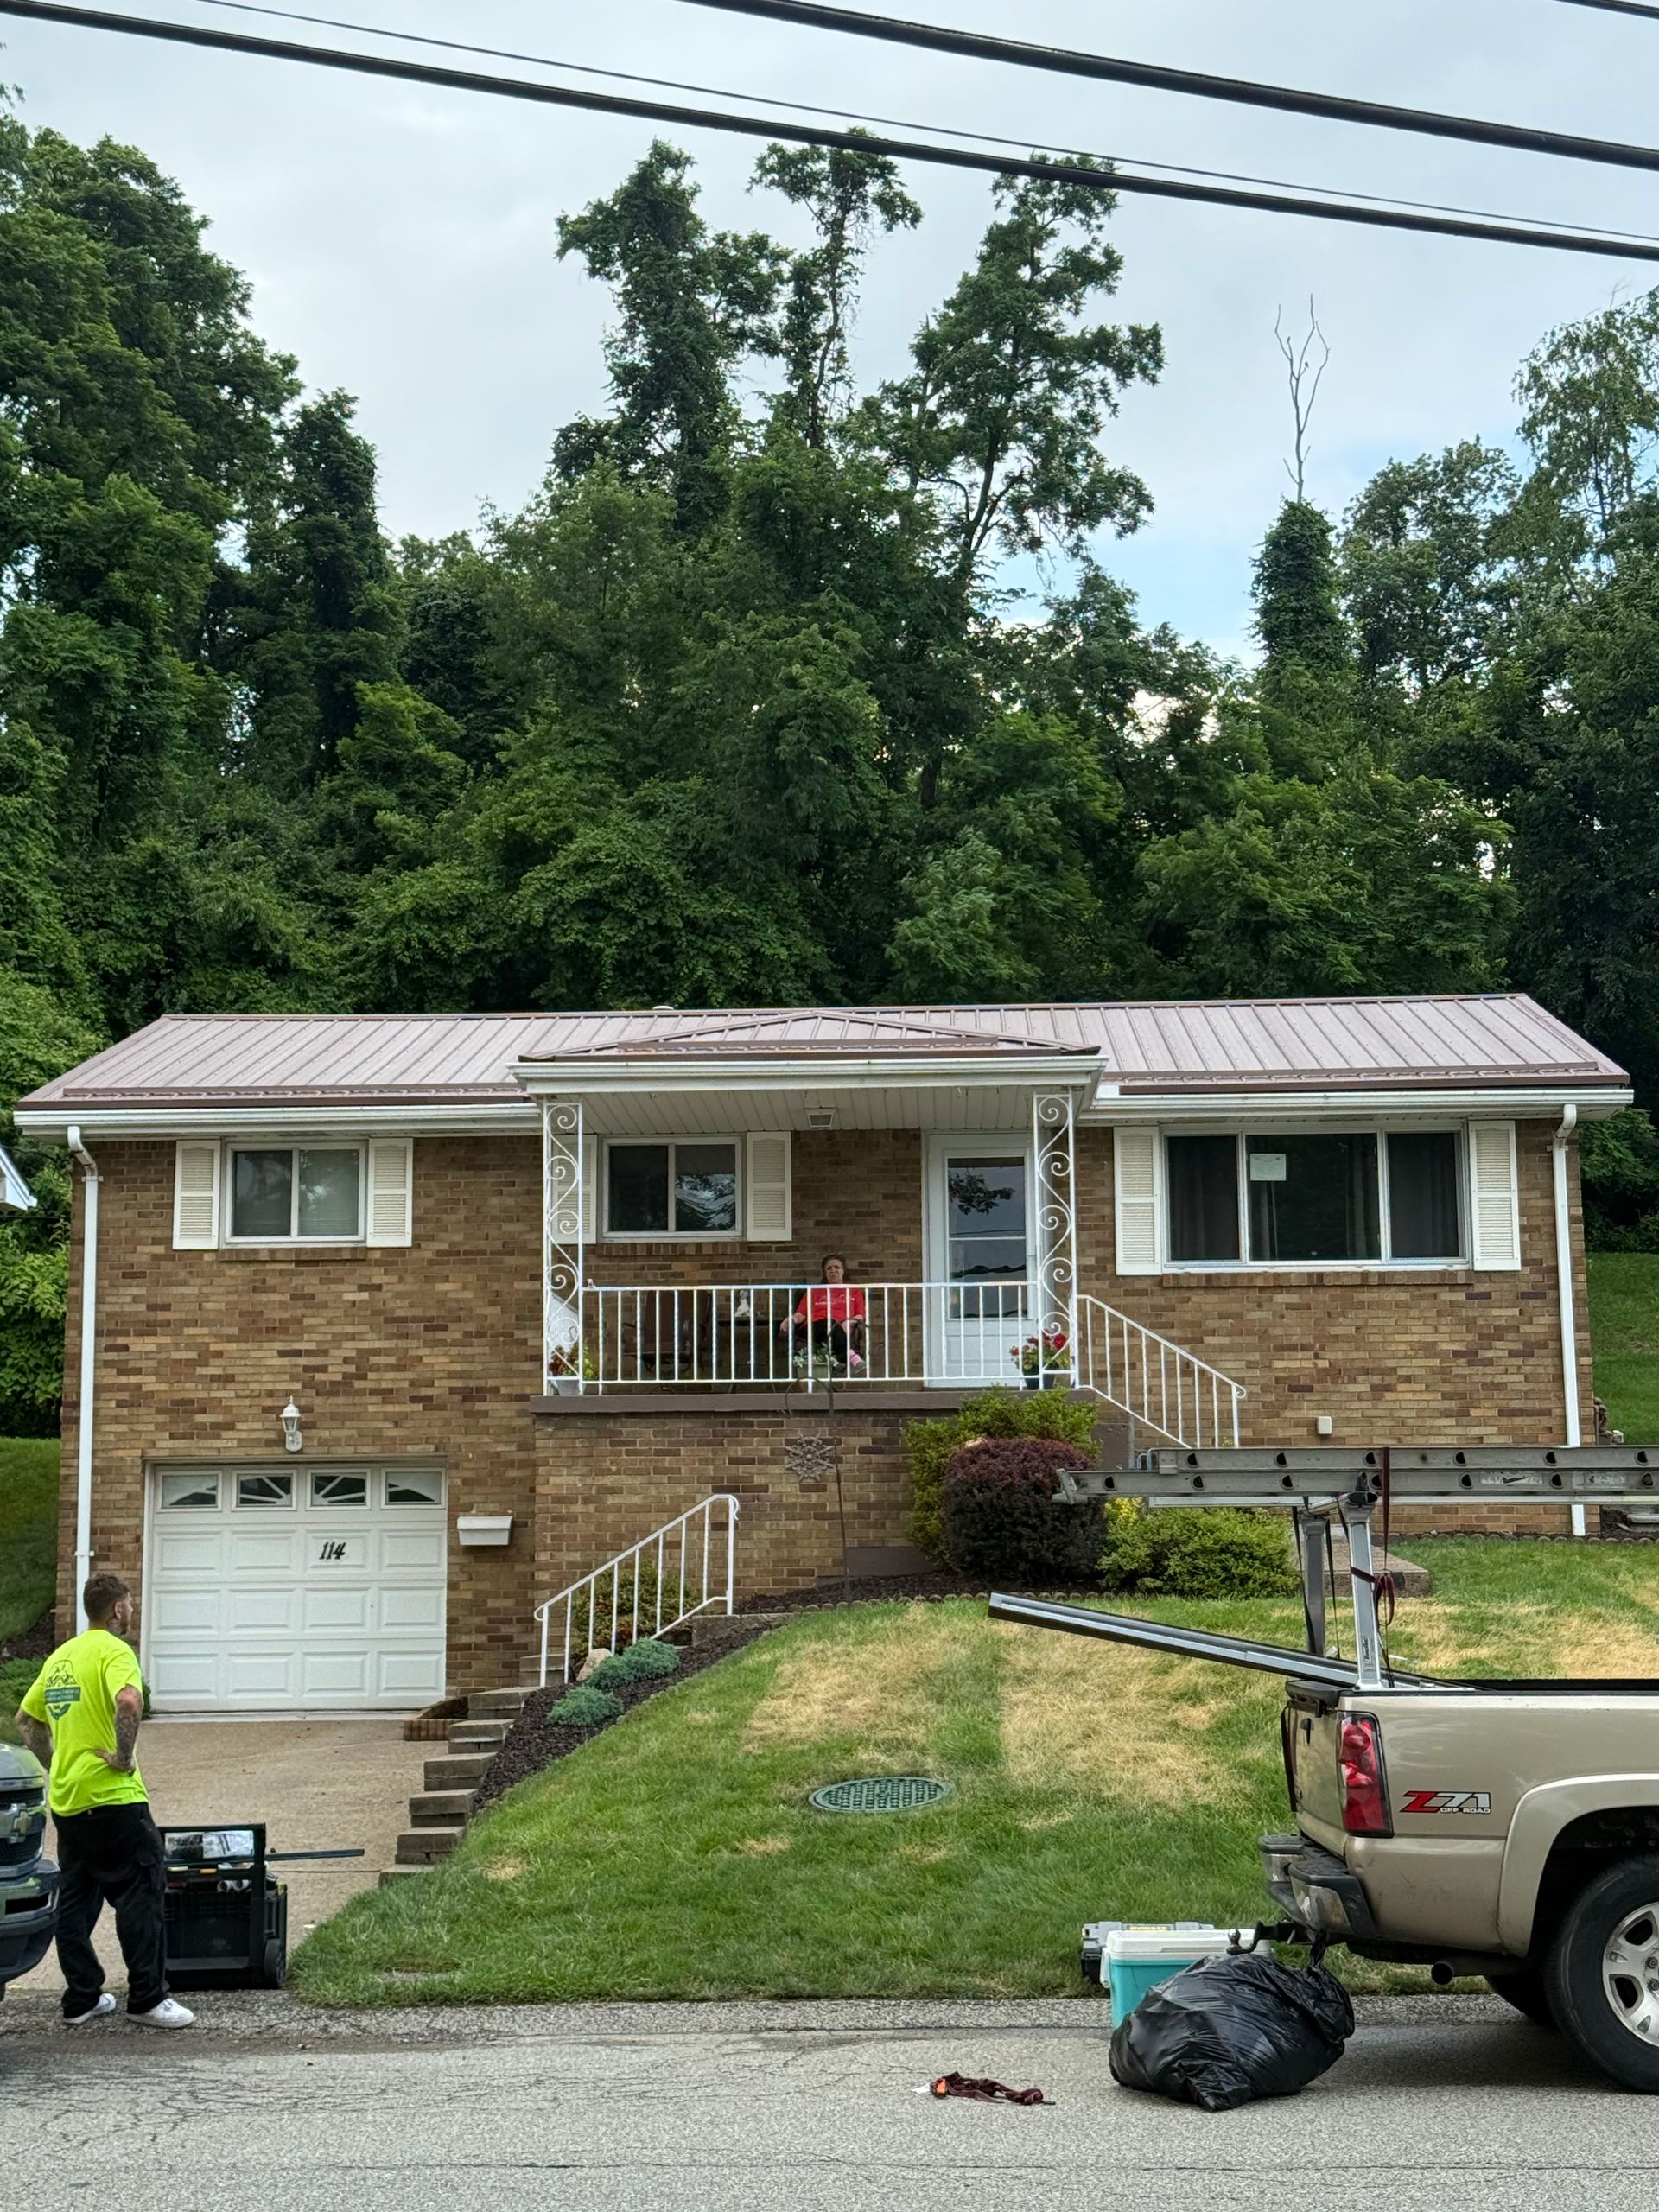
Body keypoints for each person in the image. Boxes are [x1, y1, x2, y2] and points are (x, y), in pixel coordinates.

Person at [15, 1573, 194, 2029]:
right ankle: (148, 2000)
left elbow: (25, 1719)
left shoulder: (62, 1657)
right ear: (117, 1609)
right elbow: (129, 1702)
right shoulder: (115, 1651)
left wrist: (55, 1765)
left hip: (69, 1802)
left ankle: (81, 2000)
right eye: (130, 1604)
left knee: (75, 1901)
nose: (132, 1611)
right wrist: (122, 1756)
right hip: (114, 1799)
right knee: (140, 1894)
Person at [780, 1255, 868, 1375]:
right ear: (825, 1273)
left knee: (832, 1326)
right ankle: (850, 1357)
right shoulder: (814, 1291)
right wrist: (790, 1319)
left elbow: (860, 1316)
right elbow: (800, 1314)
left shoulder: (854, 1291)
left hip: (841, 1328)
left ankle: (842, 1356)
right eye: (829, 1268)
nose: (833, 1270)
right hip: (811, 1329)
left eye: (837, 1267)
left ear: (843, 1270)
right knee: (828, 1322)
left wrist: (848, 1321)